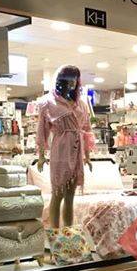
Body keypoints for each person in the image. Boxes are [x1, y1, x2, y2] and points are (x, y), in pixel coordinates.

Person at [36, 65, 95, 227]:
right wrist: (41, 156)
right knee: (58, 194)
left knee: (70, 197)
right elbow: (42, 131)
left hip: (77, 154)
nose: (72, 82)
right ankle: (55, 233)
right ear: (61, 81)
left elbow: (87, 132)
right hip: (61, 151)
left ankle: (69, 233)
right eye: (69, 79)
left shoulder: (81, 104)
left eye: (75, 79)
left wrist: (87, 157)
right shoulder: (48, 103)